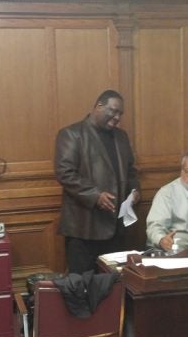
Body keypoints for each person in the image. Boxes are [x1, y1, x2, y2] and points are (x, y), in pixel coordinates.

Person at [54, 89, 141, 274]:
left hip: (116, 227)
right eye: (113, 111)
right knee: (82, 285)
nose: (117, 117)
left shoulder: (121, 137)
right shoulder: (71, 134)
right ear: (98, 106)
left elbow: (131, 171)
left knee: (114, 284)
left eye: (120, 113)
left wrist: (134, 191)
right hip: (84, 228)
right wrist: (95, 196)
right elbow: (65, 173)